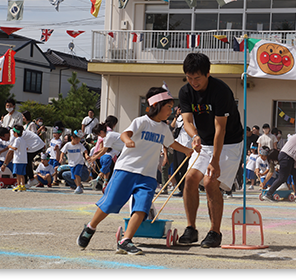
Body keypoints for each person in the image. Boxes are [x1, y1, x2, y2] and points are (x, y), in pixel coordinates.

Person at [77, 87, 194, 255]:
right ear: (156, 106)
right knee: (109, 203)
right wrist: (128, 141)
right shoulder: (141, 121)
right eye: (168, 106)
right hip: (126, 170)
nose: (171, 110)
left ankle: (126, 240)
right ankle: (90, 227)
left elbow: (172, 144)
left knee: (142, 207)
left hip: (148, 175)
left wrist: (188, 151)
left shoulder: (163, 128)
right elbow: (125, 134)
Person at [178, 53, 243, 248]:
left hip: (229, 141)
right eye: (189, 78)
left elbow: (220, 129)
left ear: (207, 73)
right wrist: (194, 135)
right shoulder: (185, 91)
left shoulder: (220, 91)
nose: (193, 82)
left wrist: (214, 161)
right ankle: (191, 228)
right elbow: (187, 121)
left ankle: (215, 232)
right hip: (204, 141)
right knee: (189, 178)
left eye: (197, 78)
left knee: (210, 181)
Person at [59, 130, 89, 194]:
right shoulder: (67, 145)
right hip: (72, 163)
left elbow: (85, 151)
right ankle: (78, 186)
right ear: (72, 138)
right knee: (74, 176)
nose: (78, 141)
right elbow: (62, 152)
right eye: (77, 139)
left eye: (79, 139)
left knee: (76, 174)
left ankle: (78, 187)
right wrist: (61, 158)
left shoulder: (80, 145)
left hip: (79, 162)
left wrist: (86, 156)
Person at [7, 125, 28, 192]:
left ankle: (18, 185)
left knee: (17, 174)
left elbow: (15, 148)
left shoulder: (17, 140)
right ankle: (23, 186)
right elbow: (27, 148)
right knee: (22, 174)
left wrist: (10, 146)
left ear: (16, 133)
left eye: (13, 132)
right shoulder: (23, 140)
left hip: (18, 160)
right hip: (24, 159)